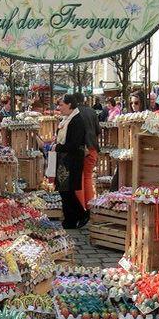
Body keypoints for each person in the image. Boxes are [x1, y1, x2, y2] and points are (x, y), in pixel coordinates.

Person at [53, 94, 86, 229]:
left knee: (67, 190)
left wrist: (58, 147)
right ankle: (71, 219)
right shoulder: (66, 119)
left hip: (72, 160)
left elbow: (74, 144)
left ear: (70, 105)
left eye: (61, 105)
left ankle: (78, 215)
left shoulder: (76, 120)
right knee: (64, 190)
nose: (59, 108)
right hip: (65, 160)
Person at [74, 93, 100, 226]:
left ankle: (81, 211)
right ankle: (89, 208)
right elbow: (98, 130)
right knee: (88, 178)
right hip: (92, 148)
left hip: (79, 149)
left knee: (78, 179)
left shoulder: (74, 112)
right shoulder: (92, 111)